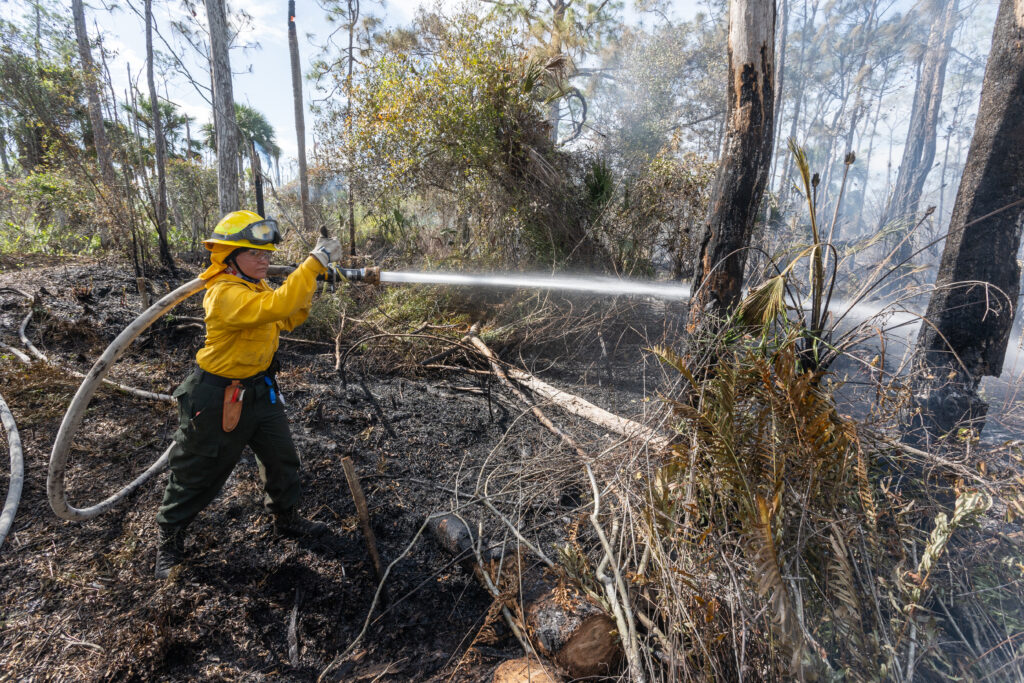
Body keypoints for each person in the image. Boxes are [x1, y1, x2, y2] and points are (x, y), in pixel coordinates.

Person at [155, 210, 344, 579]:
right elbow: (276, 307)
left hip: (260, 392)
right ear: (229, 256)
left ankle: (286, 519)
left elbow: (287, 317)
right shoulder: (224, 293)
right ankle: (169, 541)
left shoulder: (254, 286)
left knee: (281, 459)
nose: (264, 260)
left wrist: (312, 283)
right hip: (215, 397)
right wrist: (312, 265)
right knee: (197, 471)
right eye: (255, 254)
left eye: (267, 255)